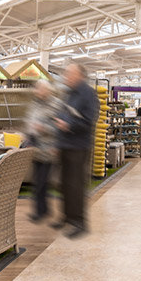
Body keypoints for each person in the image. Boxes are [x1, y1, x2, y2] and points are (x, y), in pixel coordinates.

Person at [53, 63, 100, 239]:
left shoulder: (88, 94)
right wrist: (57, 141)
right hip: (65, 145)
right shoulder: (69, 93)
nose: (67, 77)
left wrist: (69, 125)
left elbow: (89, 120)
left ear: (80, 75)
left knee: (76, 186)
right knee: (64, 184)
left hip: (79, 147)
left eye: (70, 74)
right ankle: (66, 217)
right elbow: (61, 114)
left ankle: (80, 222)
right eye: (66, 74)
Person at [22, 79, 60, 223]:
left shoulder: (55, 105)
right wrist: (28, 135)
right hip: (36, 148)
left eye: (40, 89)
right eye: (37, 88)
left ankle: (40, 212)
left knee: (41, 181)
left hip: (49, 148)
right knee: (38, 181)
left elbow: (59, 128)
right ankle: (44, 210)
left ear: (47, 90)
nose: (37, 91)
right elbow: (29, 122)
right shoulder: (35, 104)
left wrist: (43, 128)